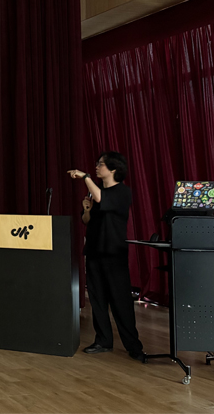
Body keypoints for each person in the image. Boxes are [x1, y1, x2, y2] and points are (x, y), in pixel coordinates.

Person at [67, 152, 145, 361]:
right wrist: (87, 210)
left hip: (113, 253)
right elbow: (87, 221)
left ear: (113, 169)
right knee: (97, 299)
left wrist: (85, 177)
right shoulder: (96, 192)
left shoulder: (122, 192)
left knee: (120, 300)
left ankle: (133, 345)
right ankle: (103, 340)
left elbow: (103, 198)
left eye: (100, 164)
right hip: (94, 251)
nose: (96, 167)